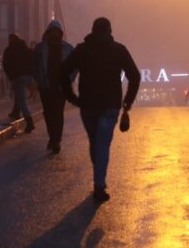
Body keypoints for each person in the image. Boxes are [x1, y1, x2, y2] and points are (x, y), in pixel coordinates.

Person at [60, 17, 140, 203]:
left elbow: (63, 73)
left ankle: (99, 179)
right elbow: (134, 76)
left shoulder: (82, 50)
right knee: (102, 143)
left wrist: (71, 97)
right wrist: (127, 102)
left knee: (95, 142)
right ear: (110, 31)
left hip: (87, 105)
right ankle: (99, 184)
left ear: (92, 30)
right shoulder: (118, 50)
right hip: (111, 105)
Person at [33, 20, 73, 154]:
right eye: (53, 31)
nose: (55, 34)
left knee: (57, 113)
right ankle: (53, 137)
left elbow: (74, 67)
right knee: (49, 113)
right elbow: (34, 65)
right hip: (46, 86)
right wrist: (37, 80)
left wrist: (69, 79)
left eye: (57, 32)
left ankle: (56, 140)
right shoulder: (40, 48)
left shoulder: (67, 48)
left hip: (61, 87)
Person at [3, 33, 35, 133]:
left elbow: (6, 64)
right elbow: (32, 60)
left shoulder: (9, 50)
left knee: (22, 100)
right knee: (19, 95)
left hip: (17, 77)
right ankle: (15, 112)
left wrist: (10, 76)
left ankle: (30, 122)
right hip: (28, 76)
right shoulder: (25, 48)